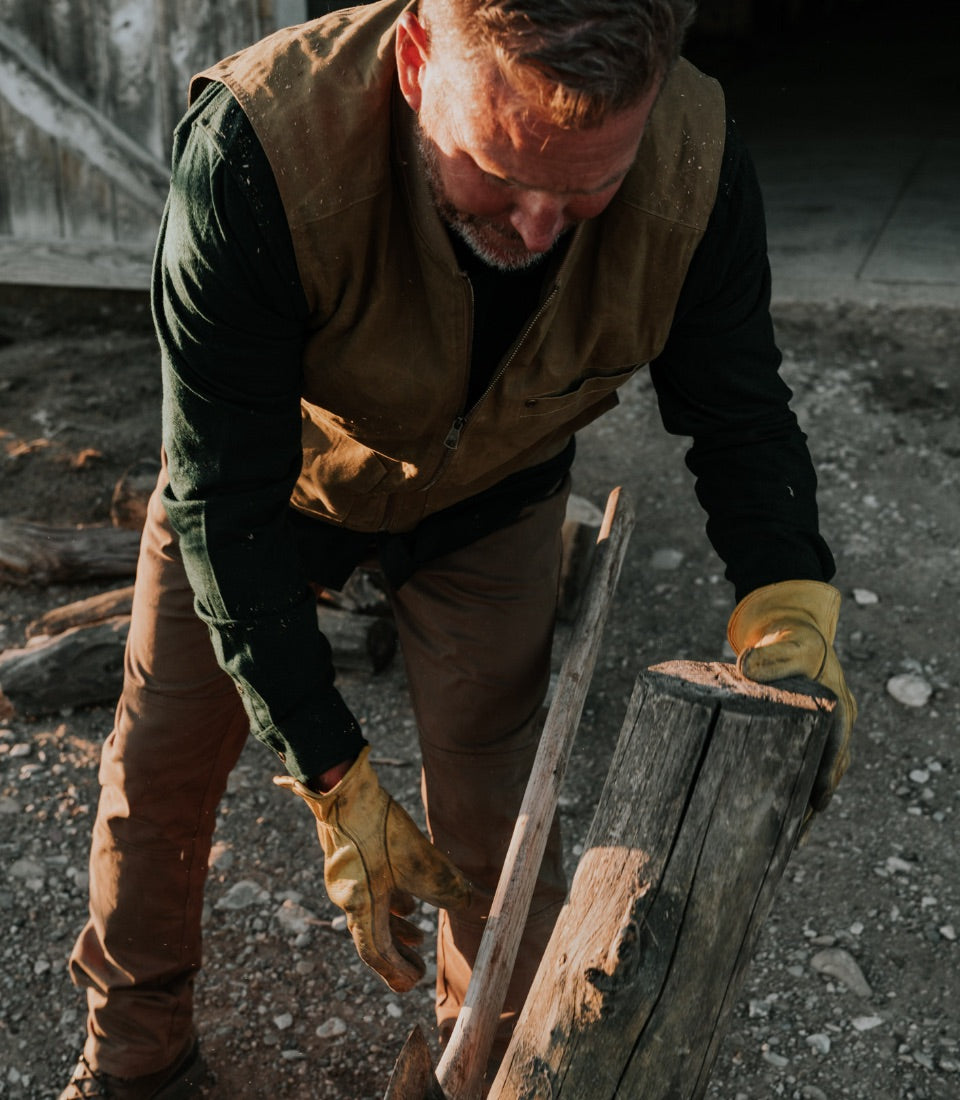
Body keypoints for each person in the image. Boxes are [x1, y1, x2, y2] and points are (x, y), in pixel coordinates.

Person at [60, 0, 858, 1095]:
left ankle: (485, 1068)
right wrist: (334, 775)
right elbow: (219, 496)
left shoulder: (695, 160)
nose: (538, 227)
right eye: (499, 170)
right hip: (275, 481)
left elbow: (738, 410)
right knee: (160, 766)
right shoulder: (258, 148)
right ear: (418, 56)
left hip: (495, 492)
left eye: (587, 188)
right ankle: (134, 1063)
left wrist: (791, 599)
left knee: (499, 811)